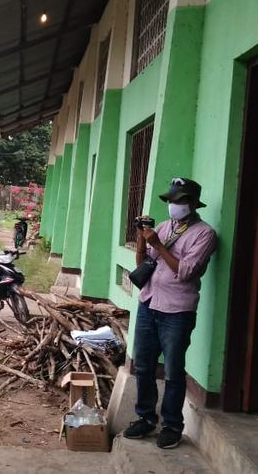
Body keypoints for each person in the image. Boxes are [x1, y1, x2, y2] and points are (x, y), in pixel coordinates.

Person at [124, 177, 217, 449]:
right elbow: (143, 264)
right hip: (149, 303)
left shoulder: (204, 234)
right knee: (143, 365)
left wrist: (160, 245)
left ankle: (172, 426)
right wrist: (143, 240)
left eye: (177, 201)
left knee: (174, 370)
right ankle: (145, 417)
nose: (172, 205)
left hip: (177, 311)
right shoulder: (163, 228)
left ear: (190, 203)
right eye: (170, 201)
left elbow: (185, 272)